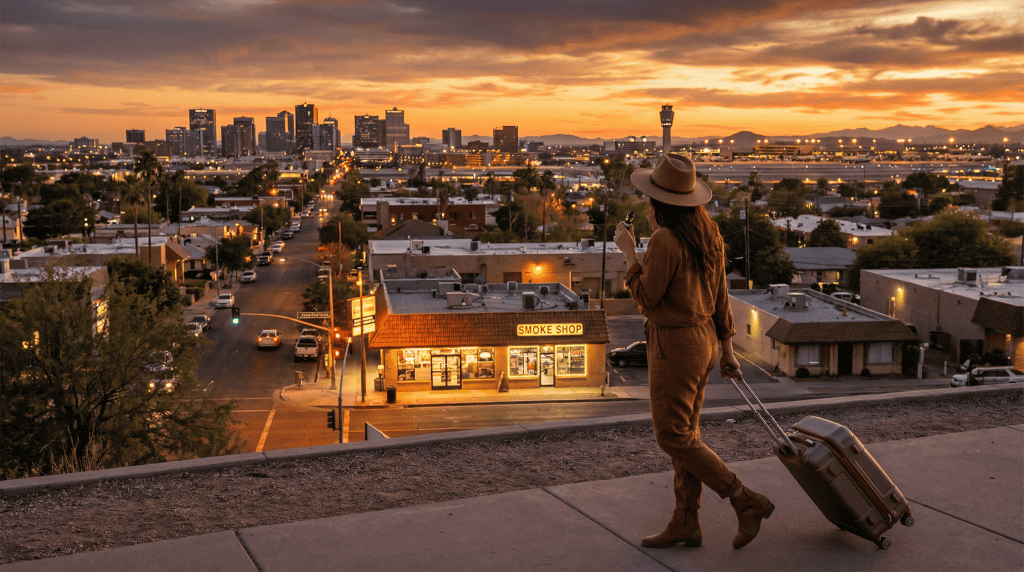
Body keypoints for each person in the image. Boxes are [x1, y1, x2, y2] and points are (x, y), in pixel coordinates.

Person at [613, 153, 774, 550]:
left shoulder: (666, 240)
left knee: (671, 436)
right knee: (688, 433)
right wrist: (727, 348)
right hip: (702, 342)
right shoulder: (709, 233)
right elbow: (721, 295)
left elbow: (648, 299)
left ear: (658, 203)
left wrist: (630, 255)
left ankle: (743, 499)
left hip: (675, 344)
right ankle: (686, 521)